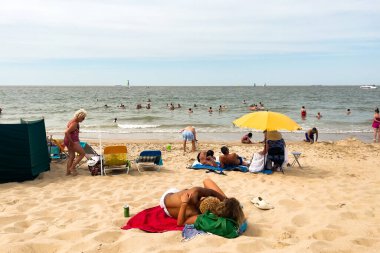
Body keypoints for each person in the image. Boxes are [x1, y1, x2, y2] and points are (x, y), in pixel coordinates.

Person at [159, 178, 245, 227]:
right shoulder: (197, 215)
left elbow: (211, 191)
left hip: (165, 198)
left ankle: (228, 202)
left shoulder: (195, 192)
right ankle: (229, 203)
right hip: (169, 201)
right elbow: (211, 191)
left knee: (205, 182)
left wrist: (184, 203)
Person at [64, 109, 87, 176]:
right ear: (79, 116)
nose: (83, 119)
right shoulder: (74, 123)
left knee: (72, 156)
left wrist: (77, 140)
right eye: (83, 118)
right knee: (82, 153)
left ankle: (67, 173)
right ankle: (72, 168)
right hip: (72, 141)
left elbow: (72, 132)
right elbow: (66, 132)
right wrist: (72, 143)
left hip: (68, 140)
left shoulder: (72, 121)